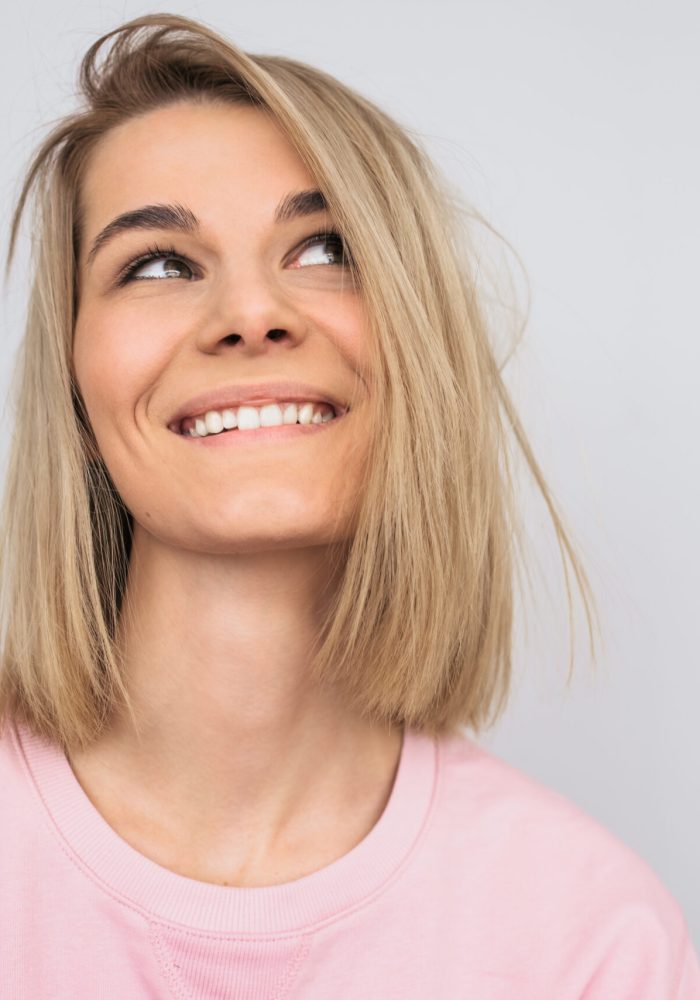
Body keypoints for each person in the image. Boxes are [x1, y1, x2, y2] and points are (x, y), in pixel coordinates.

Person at [0, 11, 697, 999]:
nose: (250, 314)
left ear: (421, 347)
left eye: (324, 248)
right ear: (72, 384)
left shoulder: (588, 935)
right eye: (158, 264)